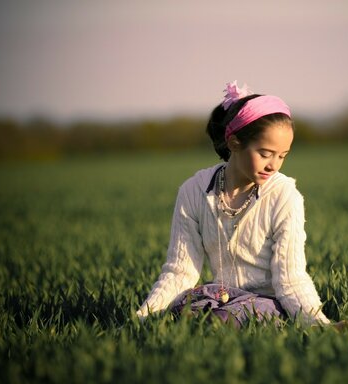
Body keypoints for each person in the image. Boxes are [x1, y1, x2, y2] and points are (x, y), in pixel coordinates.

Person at [136, 81, 330, 327]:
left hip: (268, 302)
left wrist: (318, 325)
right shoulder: (193, 191)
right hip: (219, 298)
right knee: (184, 313)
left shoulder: (285, 196)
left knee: (220, 321)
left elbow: (291, 279)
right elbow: (179, 272)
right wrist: (141, 320)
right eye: (265, 153)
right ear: (234, 142)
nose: (274, 165)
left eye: (282, 156)